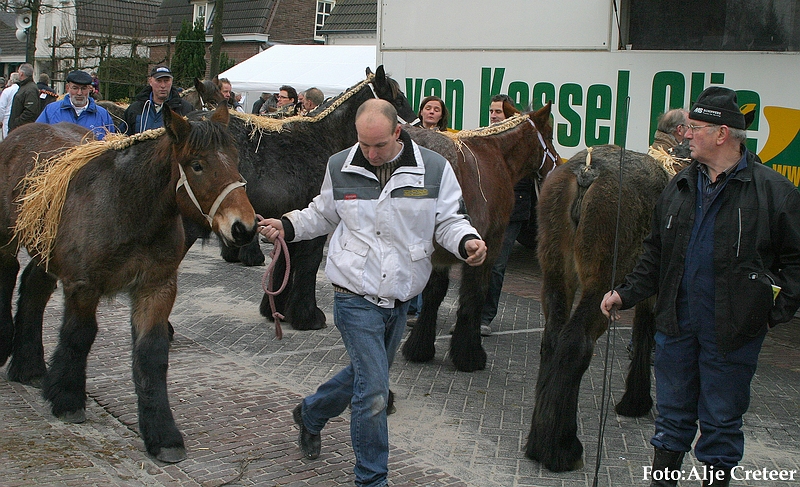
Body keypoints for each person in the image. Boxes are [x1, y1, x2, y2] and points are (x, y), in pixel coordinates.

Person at [257, 98, 487, 487]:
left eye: (378, 145)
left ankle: (311, 413)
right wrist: (286, 225)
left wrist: (467, 241)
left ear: (398, 132)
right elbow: (322, 213)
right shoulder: (340, 164)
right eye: (363, 144)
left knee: (363, 377)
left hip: (400, 295)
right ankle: (371, 479)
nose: (370, 153)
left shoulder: (433, 168)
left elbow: (448, 219)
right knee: (375, 391)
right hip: (354, 292)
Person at [600, 86, 800, 487]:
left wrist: (765, 314)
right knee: (671, 420)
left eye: (694, 127)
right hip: (676, 327)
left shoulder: (774, 192)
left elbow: (795, 263)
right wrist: (625, 293)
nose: (685, 135)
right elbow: (656, 254)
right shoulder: (679, 186)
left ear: (722, 133)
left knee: (721, 425)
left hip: (732, 335)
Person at [477, 94, 530, 336]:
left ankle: (485, 316)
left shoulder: (522, 142)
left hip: (511, 210)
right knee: (476, 262)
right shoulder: (482, 138)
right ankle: (471, 312)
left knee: (496, 265)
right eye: (492, 111)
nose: (494, 116)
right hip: (484, 209)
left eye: (499, 112)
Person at [36, 70, 116, 140]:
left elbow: (111, 144)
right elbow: (37, 136)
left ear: (89, 89)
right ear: (67, 88)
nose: (79, 93)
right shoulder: (51, 110)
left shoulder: (102, 115)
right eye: (75, 88)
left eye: (84, 88)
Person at [122, 65, 193, 135]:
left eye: (166, 81)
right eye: (158, 81)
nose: (163, 85)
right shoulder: (135, 109)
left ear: (172, 81)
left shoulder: (186, 110)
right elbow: (123, 138)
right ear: (150, 81)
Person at [8, 63, 43, 133]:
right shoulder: (25, 87)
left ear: (21, 74)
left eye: (18, 72)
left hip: (22, 130)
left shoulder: (30, 89)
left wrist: (16, 123)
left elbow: (30, 111)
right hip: (19, 128)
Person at [0, 73, 20, 139]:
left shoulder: (7, 91)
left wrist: (0, 119)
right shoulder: (22, 90)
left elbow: (2, 107)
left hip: (7, 118)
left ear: (11, 80)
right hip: (19, 118)